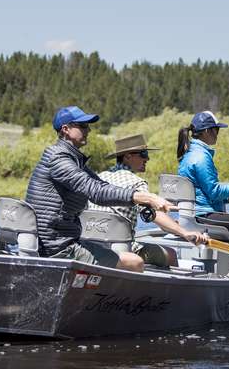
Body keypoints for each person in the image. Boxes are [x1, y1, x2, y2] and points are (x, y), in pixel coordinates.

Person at [25, 105, 173, 273]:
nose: (88, 130)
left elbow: (101, 185)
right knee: (135, 263)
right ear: (66, 129)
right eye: (82, 126)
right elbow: (96, 191)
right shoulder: (59, 159)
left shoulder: (71, 158)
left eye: (88, 126)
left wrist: (143, 198)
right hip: (58, 247)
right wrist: (147, 198)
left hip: (60, 241)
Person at [92, 133, 208, 268]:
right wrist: (185, 232)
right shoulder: (136, 183)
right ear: (128, 156)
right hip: (122, 248)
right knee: (171, 254)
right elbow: (154, 215)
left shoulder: (98, 178)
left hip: (94, 245)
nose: (147, 158)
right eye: (143, 154)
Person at [177, 111, 229, 277]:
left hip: (195, 214)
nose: (218, 134)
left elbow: (203, 192)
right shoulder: (201, 157)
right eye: (217, 129)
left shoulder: (189, 154)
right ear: (207, 131)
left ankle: (218, 273)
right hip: (205, 215)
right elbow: (214, 192)